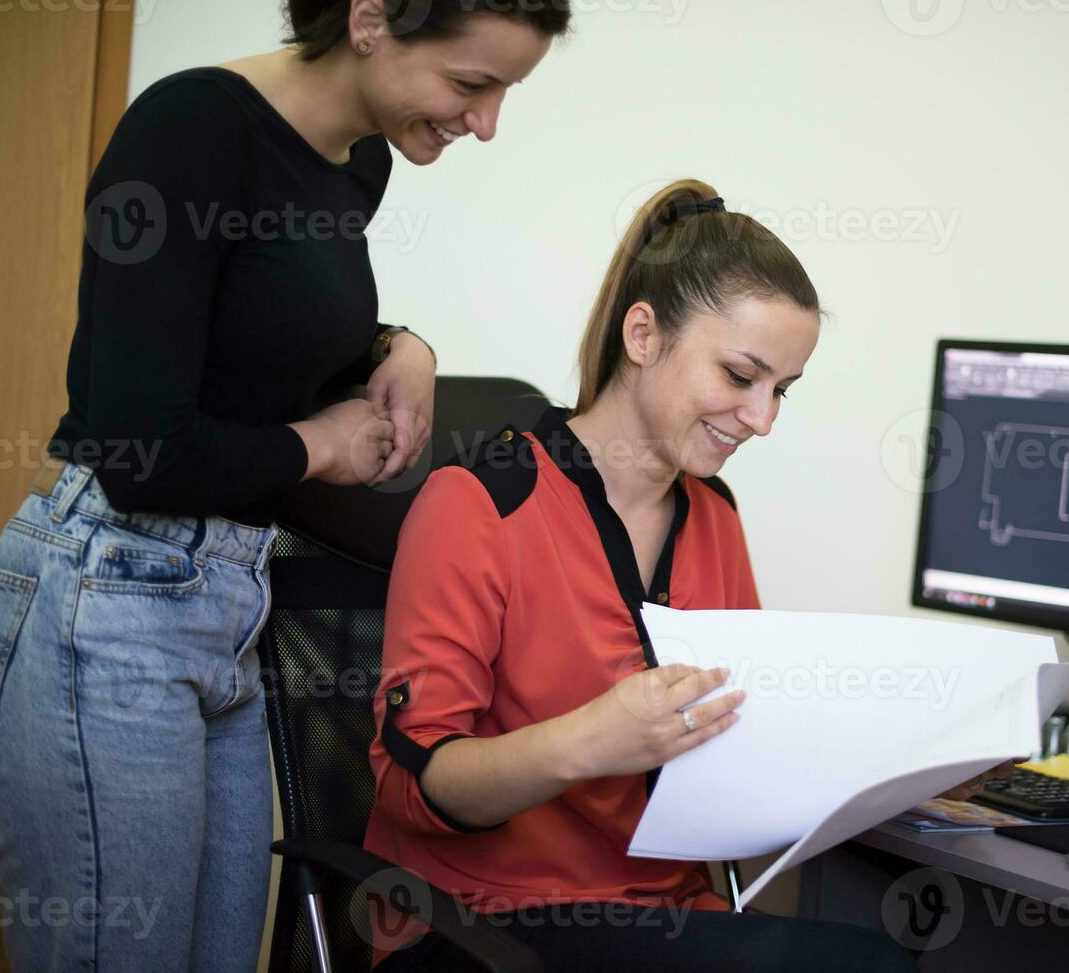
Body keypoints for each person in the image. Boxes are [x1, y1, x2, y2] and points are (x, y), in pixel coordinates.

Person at [0, 0, 567, 970]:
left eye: (505, 92)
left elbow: (270, 325)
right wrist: (323, 444)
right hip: (115, 589)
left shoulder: (359, 161)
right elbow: (139, 452)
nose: (486, 123)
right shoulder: (195, 129)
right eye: (472, 85)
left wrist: (402, 342)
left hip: (231, 598)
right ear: (371, 18)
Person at [365, 179, 1000, 971]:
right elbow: (410, 783)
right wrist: (587, 741)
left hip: (664, 920)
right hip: (480, 930)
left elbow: (748, 750)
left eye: (782, 392)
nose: (764, 419)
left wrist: (915, 761)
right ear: (642, 335)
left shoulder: (716, 518)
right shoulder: (478, 504)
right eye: (740, 376)